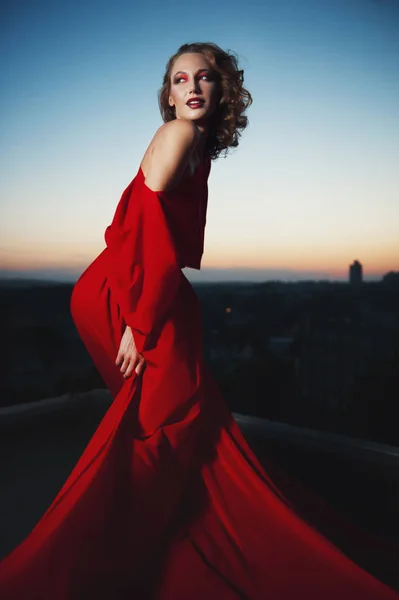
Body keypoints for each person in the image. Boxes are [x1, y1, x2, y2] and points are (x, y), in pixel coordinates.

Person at [0, 42, 398, 600]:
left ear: (221, 91)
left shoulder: (197, 146)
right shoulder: (180, 134)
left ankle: (152, 544)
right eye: (179, 79)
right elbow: (147, 229)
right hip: (139, 296)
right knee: (159, 433)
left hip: (146, 293)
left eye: (204, 77)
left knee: (170, 429)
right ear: (168, 95)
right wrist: (139, 321)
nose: (191, 86)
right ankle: (110, 565)